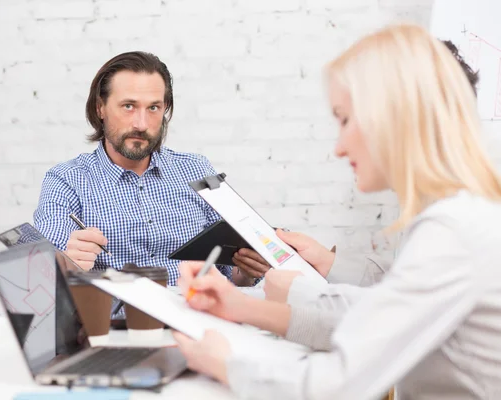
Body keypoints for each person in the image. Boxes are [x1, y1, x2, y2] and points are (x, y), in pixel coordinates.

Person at [174, 24, 501, 399]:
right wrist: (241, 305)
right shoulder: (463, 211)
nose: (339, 147)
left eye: (345, 120)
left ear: (394, 117)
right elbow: (374, 316)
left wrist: (224, 363)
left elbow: (338, 384)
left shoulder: (453, 229)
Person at [263, 38, 481, 308]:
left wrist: (293, 296)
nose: (339, 148)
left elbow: (397, 320)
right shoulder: (441, 199)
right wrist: (325, 260)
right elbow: (403, 288)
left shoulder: (456, 221)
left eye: (347, 120)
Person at [33, 51, 268, 286]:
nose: (141, 124)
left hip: (197, 315)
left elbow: (232, 275)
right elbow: (41, 278)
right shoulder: (66, 180)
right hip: (121, 320)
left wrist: (248, 269)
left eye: (153, 108)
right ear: (100, 108)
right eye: (128, 106)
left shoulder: (197, 169)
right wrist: (65, 262)